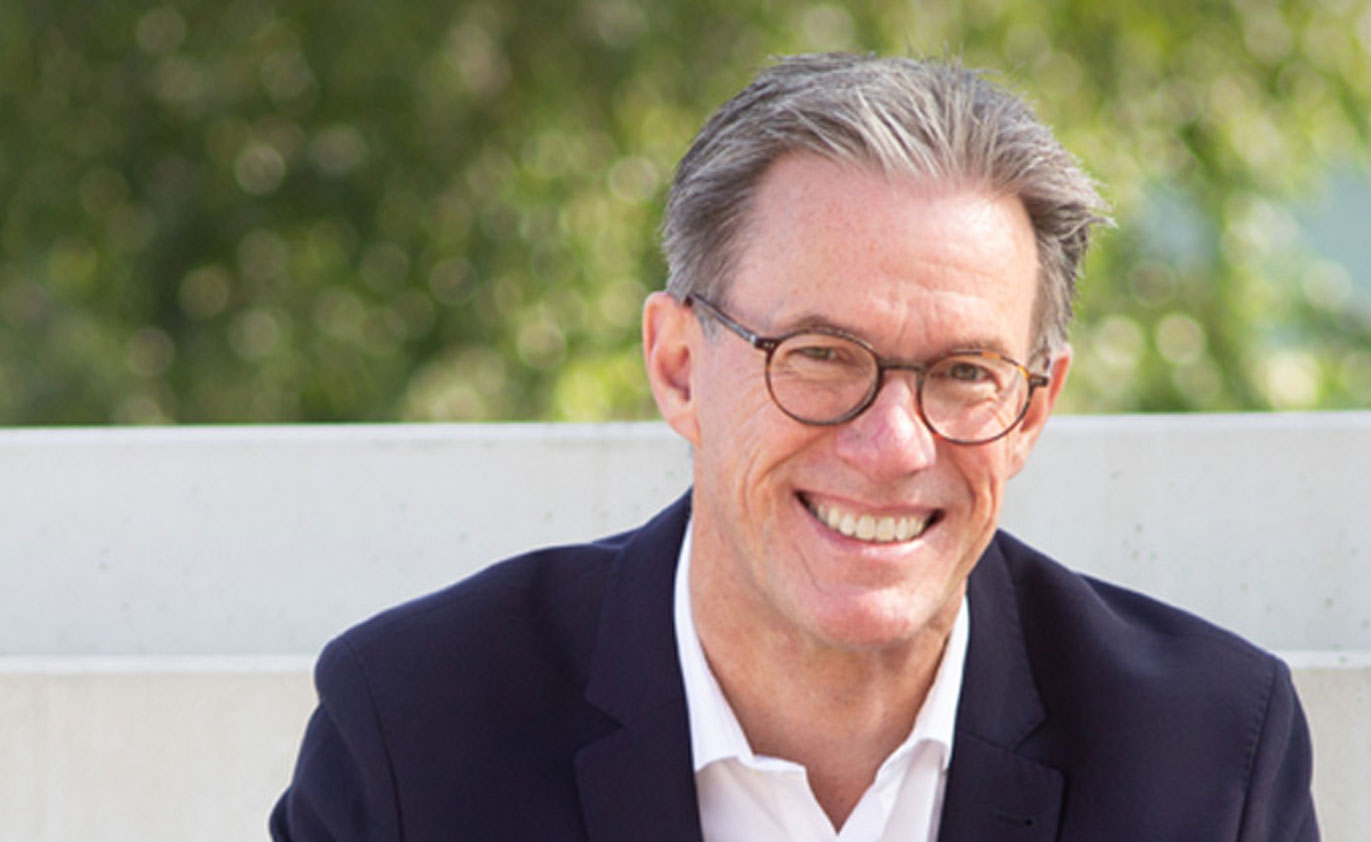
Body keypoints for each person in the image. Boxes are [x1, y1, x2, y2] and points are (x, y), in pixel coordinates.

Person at [271, 53, 1318, 841]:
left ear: (1033, 410)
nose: (894, 444)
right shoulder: (416, 729)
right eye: (820, 355)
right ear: (679, 366)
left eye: (965, 372)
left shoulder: (1205, 756)